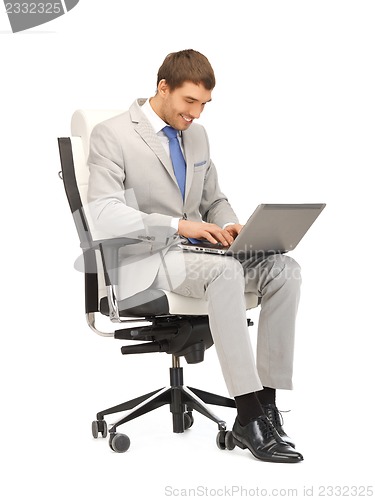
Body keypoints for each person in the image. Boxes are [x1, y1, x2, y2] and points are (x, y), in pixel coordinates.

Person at [87, 49, 303, 463]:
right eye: (189, 102)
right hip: (144, 258)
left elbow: (213, 199)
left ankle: (268, 406)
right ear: (162, 88)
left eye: (204, 105)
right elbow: (102, 213)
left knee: (284, 270)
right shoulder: (112, 134)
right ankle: (248, 413)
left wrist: (233, 227)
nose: (196, 114)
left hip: (199, 254)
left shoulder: (197, 135)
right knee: (225, 275)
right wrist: (177, 226)